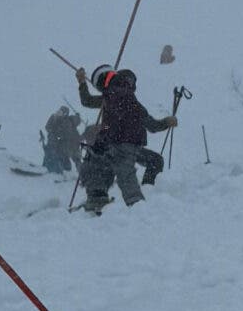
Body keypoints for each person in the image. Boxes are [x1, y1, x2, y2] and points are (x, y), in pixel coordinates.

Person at [74, 66, 177, 213]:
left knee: (96, 162)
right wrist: (167, 122)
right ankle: (142, 199)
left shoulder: (109, 95)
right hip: (131, 146)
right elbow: (153, 126)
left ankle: (100, 199)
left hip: (114, 143)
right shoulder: (133, 102)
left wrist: (82, 82)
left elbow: (87, 101)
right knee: (147, 164)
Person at [41, 105, 83, 173]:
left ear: (65, 114)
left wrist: (57, 135)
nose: (59, 113)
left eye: (61, 112)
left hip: (70, 144)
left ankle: (81, 174)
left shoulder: (67, 122)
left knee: (73, 158)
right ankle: (59, 169)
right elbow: (48, 127)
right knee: (60, 156)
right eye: (59, 111)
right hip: (64, 145)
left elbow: (65, 134)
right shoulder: (55, 118)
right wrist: (53, 119)